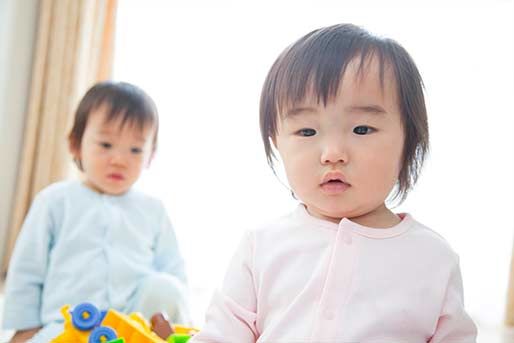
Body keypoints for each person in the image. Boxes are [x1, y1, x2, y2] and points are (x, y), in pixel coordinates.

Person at [191, 24, 477, 342]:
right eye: (307, 132)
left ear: (408, 141)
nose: (333, 154)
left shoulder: (433, 258)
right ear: (277, 142)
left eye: (362, 130)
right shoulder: (262, 246)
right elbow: (221, 333)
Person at [3, 82, 191, 342]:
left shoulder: (152, 209)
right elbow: (27, 272)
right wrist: (24, 328)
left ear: (151, 156)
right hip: (67, 325)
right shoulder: (54, 200)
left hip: (133, 327)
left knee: (166, 286)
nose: (119, 159)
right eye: (105, 145)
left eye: (135, 150)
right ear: (76, 145)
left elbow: (174, 273)